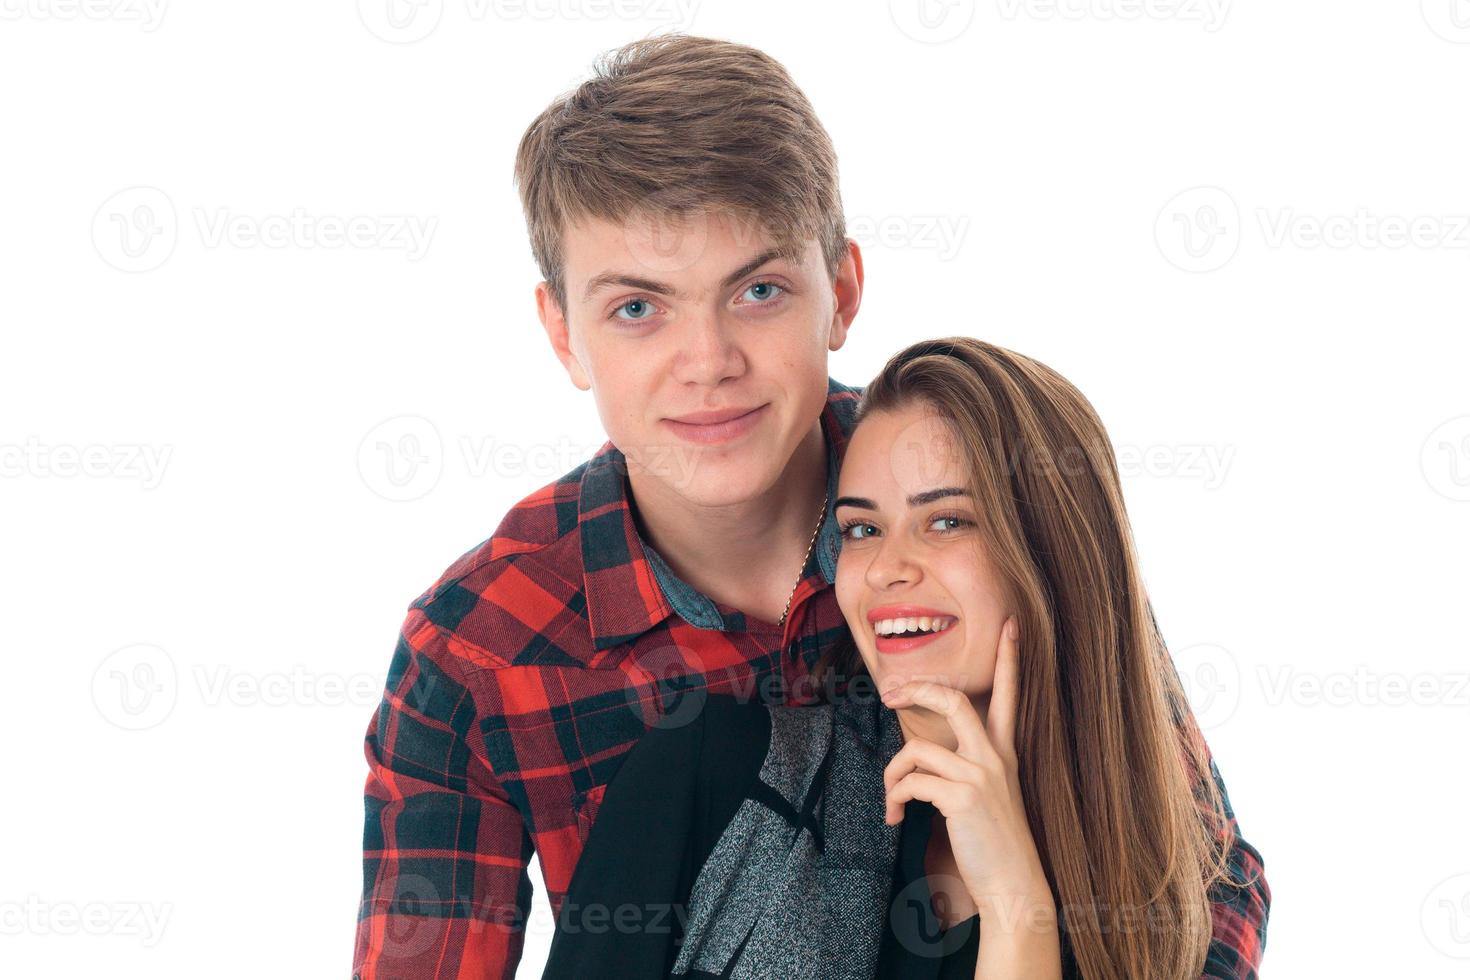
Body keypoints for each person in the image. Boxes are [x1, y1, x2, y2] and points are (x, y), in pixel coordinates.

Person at [351, 34, 1270, 979]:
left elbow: (1202, 887)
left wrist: (1024, 912)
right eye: (638, 308)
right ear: (563, 335)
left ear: (840, 292)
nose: (707, 361)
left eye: (757, 290)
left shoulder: (980, 506)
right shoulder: (478, 650)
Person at [537, 338, 1270, 979]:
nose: (887, 568)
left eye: (946, 521)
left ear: (1055, 556)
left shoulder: (1162, 878)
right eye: (861, 530)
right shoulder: (713, 772)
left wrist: (1017, 907)